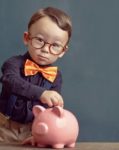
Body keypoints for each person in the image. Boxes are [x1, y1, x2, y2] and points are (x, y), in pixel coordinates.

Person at [0, 6, 72, 143]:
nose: (45, 50)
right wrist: (41, 93)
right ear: (27, 38)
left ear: (63, 51)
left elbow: (52, 109)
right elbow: (10, 81)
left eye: (55, 45)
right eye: (39, 40)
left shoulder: (56, 76)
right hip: (4, 127)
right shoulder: (13, 63)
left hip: (34, 130)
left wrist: (41, 135)